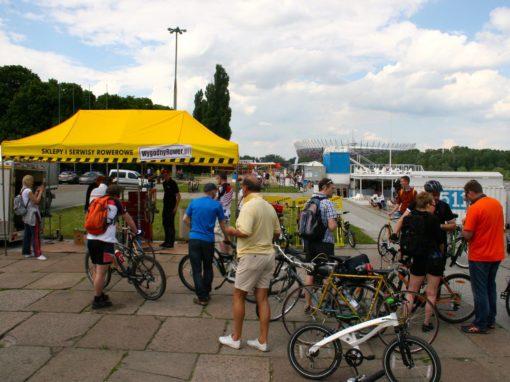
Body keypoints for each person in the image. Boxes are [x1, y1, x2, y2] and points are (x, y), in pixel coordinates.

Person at [219, 175, 280, 352]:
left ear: (245, 188)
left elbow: (244, 232)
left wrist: (229, 230)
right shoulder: (268, 207)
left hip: (251, 256)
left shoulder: (248, 206)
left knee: (239, 295)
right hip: (268, 255)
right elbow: (276, 233)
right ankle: (262, 340)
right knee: (262, 298)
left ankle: (235, 338)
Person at [461, 180, 505, 334]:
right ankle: (490, 320)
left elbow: (467, 235)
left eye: (466, 195)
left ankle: (480, 323)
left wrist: (462, 227)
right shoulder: (496, 204)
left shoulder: (475, 208)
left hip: (480, 255)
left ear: (470, 192)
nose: (466, 198)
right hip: (497, 253)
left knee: (480, 290)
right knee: (490, 287)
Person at [86, 185, 139, 309]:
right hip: (105, 242)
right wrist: (136, 231)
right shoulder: (116, 202)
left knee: (96, 269)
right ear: (118, 194)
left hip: (91, 239)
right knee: (101, 272)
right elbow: (128, 219)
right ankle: (97, 300)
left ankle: (100, 293)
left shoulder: (96, 201)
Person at [400, 192, 443, 332]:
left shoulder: (409, 218)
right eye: (433, 204)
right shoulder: (433, 219)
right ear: (427, 204)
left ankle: (404, 322)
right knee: (431, 293)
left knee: (411, 291)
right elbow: (440, 240)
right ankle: (426, 323)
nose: (434, 207)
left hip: (417, 258)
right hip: (433, 258)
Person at [183, 183, 230, 305]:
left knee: (196, 269)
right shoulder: (216, 205)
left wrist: (193, 228)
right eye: (216, 191)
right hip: (208, 240)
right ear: (213, 191)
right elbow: (222, 224)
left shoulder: (194, 202)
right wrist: (227, 238)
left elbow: (185, 219)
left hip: (194, 239)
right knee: (208, 267)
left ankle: (201, 297)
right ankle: (206, 293)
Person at [302, 178, 338, 307]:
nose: (334, 190)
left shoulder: (309, 201)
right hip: (324, 243)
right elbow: (332, 226)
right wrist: (336, 221)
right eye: (332, 188)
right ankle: (325, 303)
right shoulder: (328, 203)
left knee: (310, 273)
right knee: (327, 274)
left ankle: (308, 304)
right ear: (325, 187)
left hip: (310, 242)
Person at [21, 175, 47, 260]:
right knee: (35, 234)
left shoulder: (23, 189)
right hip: (32, 214)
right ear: (29, 181)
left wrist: (36, 192)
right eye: (32, 180)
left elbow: (31, 200)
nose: (33, 182)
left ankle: (26, 252)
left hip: (27, 214)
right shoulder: (28, 190)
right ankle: (38, 253)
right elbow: (36, 201)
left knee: (27, 234)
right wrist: (41, 192)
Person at [161, 169, 181, 248]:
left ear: (169, 175)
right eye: (163, 175)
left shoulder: (173, 183)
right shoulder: (164, 183)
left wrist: (176, 207)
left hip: (171, 207)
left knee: (170, 225)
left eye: (166, 175)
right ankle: (166, 241)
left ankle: (171, 242)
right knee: (165, 223)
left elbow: (178, 196)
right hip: (165, 206)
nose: (164, 177)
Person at [215, 172, 233, 253]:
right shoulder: (230, 187)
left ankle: (220, 254)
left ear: (221, 178)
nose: (216, 180)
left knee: (218, 234)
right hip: (228, 213)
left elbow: (215, 200)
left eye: (217, 178)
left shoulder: (221, 188)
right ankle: (227, 253)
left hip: (221, 214)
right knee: (226, 234)